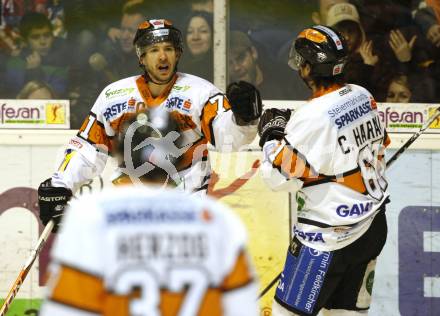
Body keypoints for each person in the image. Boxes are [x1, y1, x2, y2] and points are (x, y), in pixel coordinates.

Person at [37, 19, 261, 232]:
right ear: (141, 57)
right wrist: (61, 183)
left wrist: (242, 119)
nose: (162, 57)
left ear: (178, 53)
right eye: (154, 50)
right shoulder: (114, 95)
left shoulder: (201, 92)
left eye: (168, 49)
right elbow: (88, 148)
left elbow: (227, 137)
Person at [39, 112, 259, 316]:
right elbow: (243, 309)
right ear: (181, 157)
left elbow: (67, 310)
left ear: (119, 153)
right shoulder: (218, 221)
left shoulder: (92, 217)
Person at [258, 25, 390, 315]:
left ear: (307, 67)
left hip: (326, 240)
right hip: (372, 226)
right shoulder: (362, 95)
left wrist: (270, 137)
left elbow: (278, 179)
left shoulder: (311, 118)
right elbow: (378, 142)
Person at [2, 12, 69, 98]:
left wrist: (35, 73)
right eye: (35, 37)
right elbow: (11, 94)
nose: (43, 42)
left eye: (47, 35)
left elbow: (57, 95)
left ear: (53, 37)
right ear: (25, 42)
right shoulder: (14, 63)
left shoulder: (60, 64)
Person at [229, 30, 308, 100]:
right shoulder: (224, 93)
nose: (236, 67)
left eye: (240, 58)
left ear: (253, 53)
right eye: (229, 63)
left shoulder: (288, 82)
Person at [180, 11, 214, 82]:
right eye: (190, 31)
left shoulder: (221, 68)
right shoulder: (177, 70)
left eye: (203, 31)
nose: (195, 37)